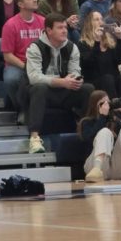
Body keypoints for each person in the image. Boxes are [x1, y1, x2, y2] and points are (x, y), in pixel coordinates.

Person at [23, 12, 94, 154]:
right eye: (60, 28)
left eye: (65, 28)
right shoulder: (35, 47)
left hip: (63, 91)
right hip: (42, 92)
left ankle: (85, 129)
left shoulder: (72, 47)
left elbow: (75, 71)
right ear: (49, 30)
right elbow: (34, 77)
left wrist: (75, 79)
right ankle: (34, 138)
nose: (64, 31)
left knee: (88, 89)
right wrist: (62, 82)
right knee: (39, 87)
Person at [78, 89, 121, 182]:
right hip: (93, 166)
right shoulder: (86, 122)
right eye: (102, 103)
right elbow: (89, 139)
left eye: (108, 103)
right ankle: (97, 170)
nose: (106, 106)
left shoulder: (116, 120)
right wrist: (102, 117)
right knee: (105, 131)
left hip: (116, 169)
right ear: (95, 105)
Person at [0, 0, 44, 108]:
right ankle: (21, 108)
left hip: (40, 63)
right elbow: (7, 56)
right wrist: (26, 67)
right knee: (11, 79)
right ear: (20, 4)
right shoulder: (10, 25)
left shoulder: (43, 22)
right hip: (19, 64)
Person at [78, 10, 121, 103]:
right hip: (94, 80)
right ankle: (115, 111)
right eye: (96, 19)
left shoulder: (109, 41)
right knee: (108, 79)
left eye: (101, 19)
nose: (100, 22)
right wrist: (97, 42)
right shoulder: (83, 43)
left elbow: (120, 60)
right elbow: (87, 62)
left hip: (112, 79)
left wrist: (119, 39)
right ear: (89, 24)